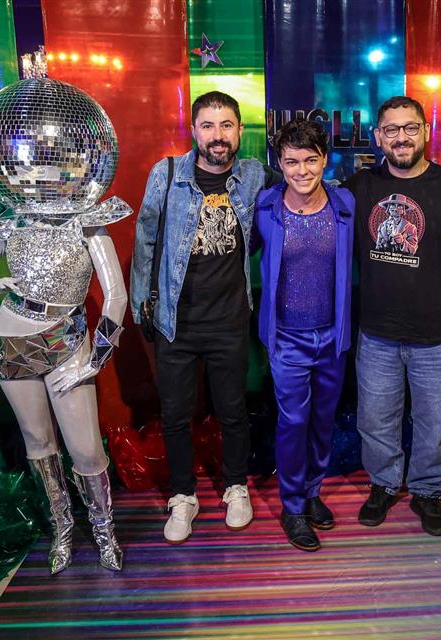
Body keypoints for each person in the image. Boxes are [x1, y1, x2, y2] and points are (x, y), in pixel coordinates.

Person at [0, 76, 128, 574]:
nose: (44, 170)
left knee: (86, 448)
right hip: (10, 337)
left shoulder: (87, 221)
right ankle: (62, 528)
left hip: (66, 338)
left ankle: (104, 529)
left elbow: (117, 295)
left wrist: (97, 358)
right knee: (38, 445)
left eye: (56, 160)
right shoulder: (9, 219)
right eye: (34, 160)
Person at [131, 91, 280, 543]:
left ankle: (236, 486)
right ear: (194, 130)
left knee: (233, 411)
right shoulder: (168, 174)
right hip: (176, 320)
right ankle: (183, 496)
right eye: (209, 126)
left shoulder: (254, 175)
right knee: (176, 415)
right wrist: (141, 307)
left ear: (240, 130)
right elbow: (145, 239)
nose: (218, 135)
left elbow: (301, 184)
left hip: (229, 320)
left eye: (227, 125)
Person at [343, 96, 441, 536]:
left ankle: (427, 491)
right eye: (391, 129)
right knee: (375, 421)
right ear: (378, 137)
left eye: (410, 128)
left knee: (432, 424)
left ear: (426, 132)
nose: (401, 137)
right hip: (377, 335)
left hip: (439, 338)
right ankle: (384, 484)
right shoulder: (359, 188)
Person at [253, 119, 355, 551]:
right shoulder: (265, 207)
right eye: (292, 161)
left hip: (333, 336)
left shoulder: (344, 203)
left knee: (323, 420)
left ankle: (313, 492)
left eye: (310, 160)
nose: (302, 170)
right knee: (294, 422)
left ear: (324, 160)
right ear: (280, 163)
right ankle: (292, 506)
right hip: (287, 339)